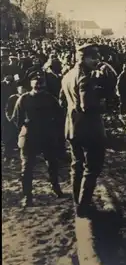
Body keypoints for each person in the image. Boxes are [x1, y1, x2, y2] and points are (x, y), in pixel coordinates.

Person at [60, 43, 107, 218]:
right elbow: (87, 106)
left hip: (72, 127)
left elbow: (63, 100)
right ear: (83, 58)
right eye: (94, 57)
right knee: (92, 167)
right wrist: (102, 105)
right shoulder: (86, 78)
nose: (98, 60)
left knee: (77, 165)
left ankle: (77, 203)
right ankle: (83, 206)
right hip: (89, 129)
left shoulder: (67, 75)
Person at [8, 70, 65, 207]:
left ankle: (56, 187)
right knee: (27, 168)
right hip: (30, 136)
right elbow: (17, 119)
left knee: (52, 164)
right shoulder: (24, 99)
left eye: (41, 81)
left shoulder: (51, 99)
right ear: (31, 83)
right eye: (35, 81)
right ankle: (27, 195)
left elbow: (60, 117)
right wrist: (25, 128)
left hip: (47, 136)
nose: (38, 84)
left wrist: (53, 131)